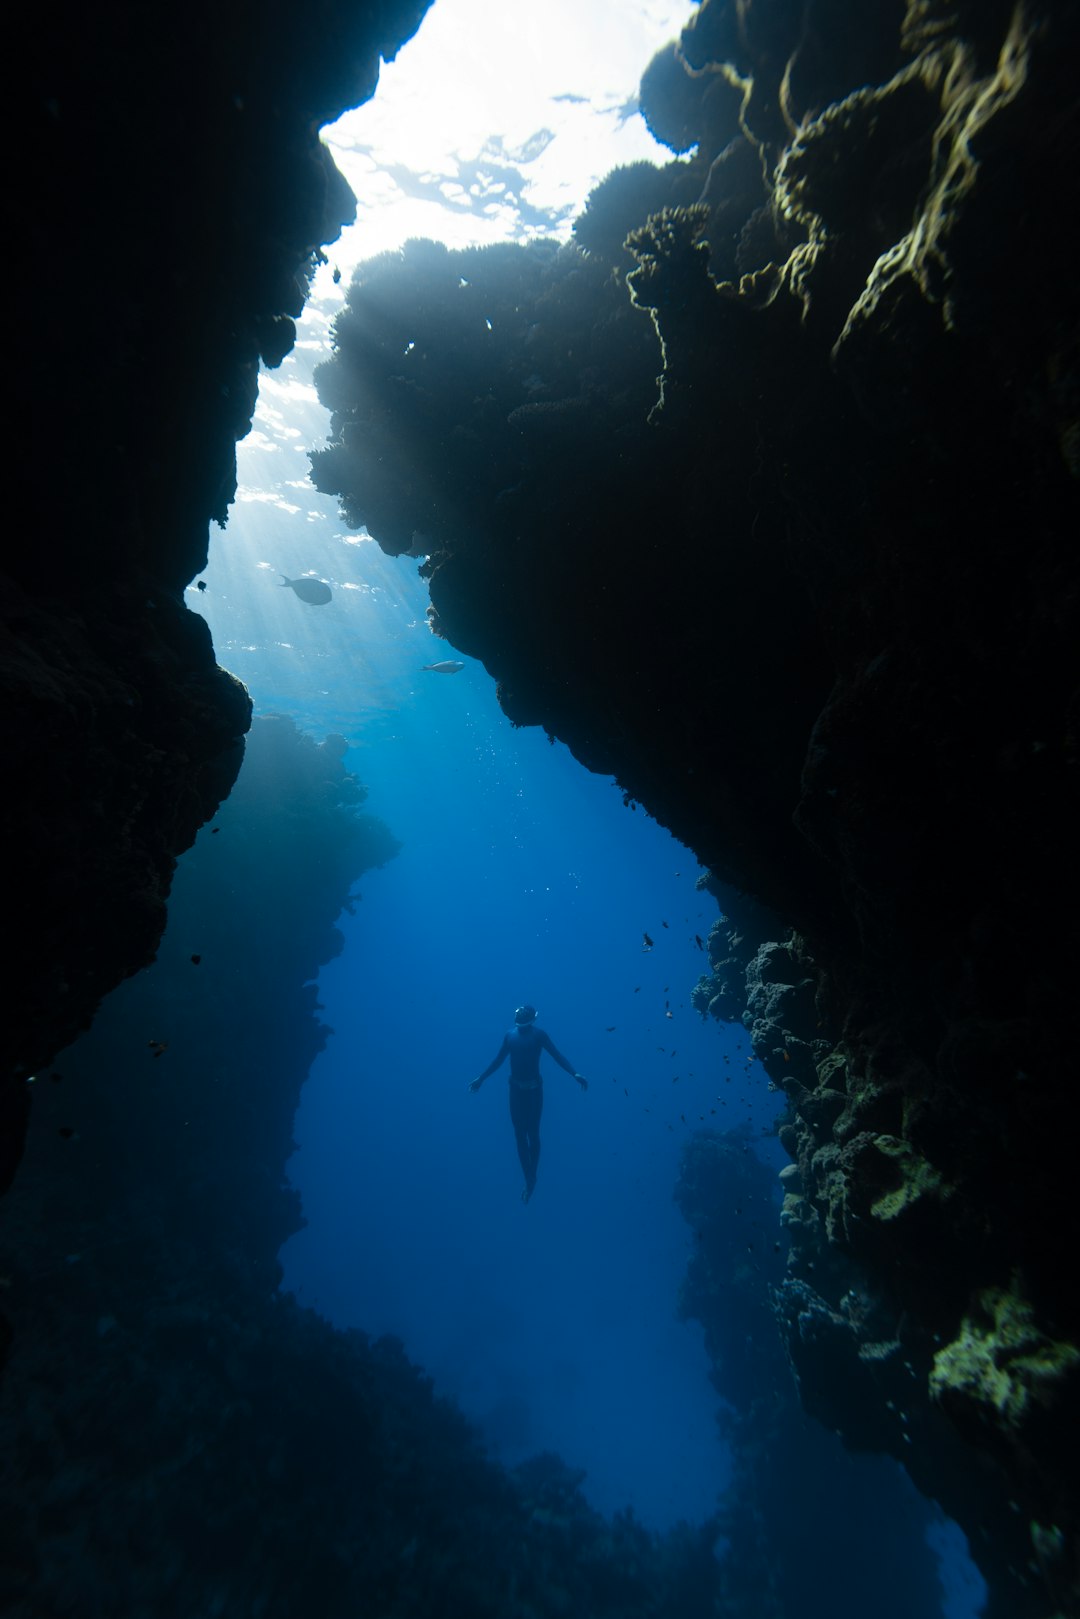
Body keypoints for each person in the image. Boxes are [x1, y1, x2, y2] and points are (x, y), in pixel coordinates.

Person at [469, 1005, 587, 1202]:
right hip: (523, 1091)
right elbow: (499, 1060)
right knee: (524, 1135)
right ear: (534, 1019)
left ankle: (530, 1178)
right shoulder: (519, 1036)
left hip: (528, 1092)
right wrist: (481, 1078)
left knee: (528, 1135)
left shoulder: (530, 1036)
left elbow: (555, 1055)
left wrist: (574, 1073)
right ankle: (530, 1178)